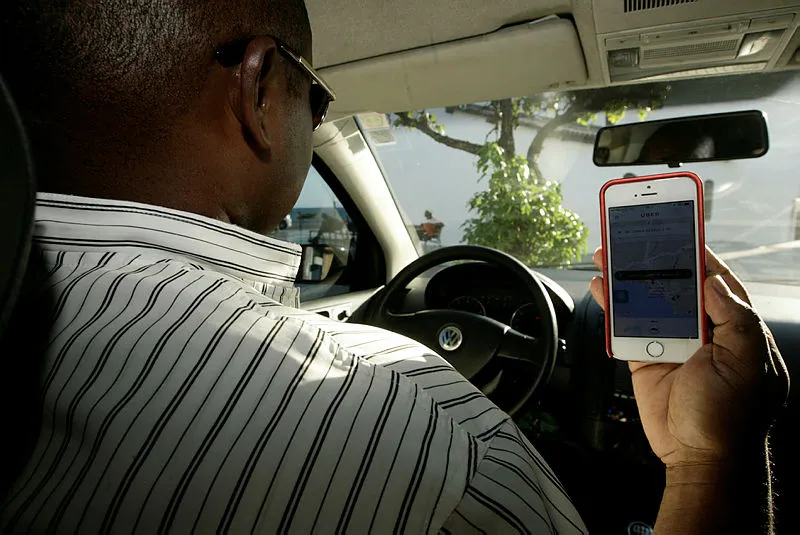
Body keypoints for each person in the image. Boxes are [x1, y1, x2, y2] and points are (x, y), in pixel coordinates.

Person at [0, 1, 787, 533]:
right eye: (315, 92)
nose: (321, 116)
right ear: (258, 93)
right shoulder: (429, 445)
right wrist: (707, 460)